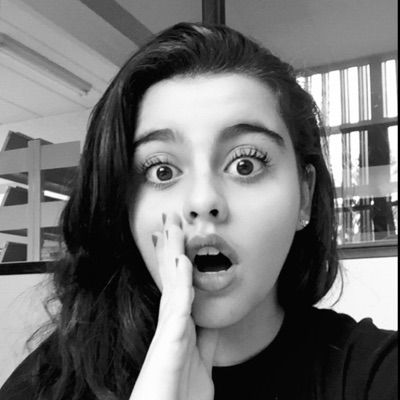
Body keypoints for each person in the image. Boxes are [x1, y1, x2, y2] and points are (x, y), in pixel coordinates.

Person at [0, 22, 397, 400]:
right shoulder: (50, 380)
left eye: (246, 164)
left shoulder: (376, 373)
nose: (202, 201)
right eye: (162, 170)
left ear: (304, 196)